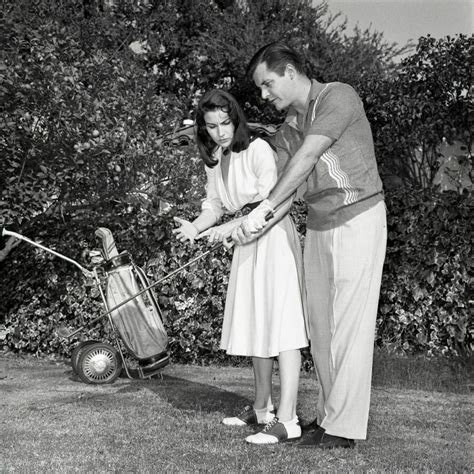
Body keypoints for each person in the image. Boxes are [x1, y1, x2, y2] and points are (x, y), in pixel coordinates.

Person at [231, 42, 387, 450]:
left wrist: (263, 209)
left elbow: (308, 158)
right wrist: (250, 223)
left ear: (289, 72)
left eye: (267, 84)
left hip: (358, 218)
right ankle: (327, 417)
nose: (264, 95)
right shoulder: (286, 130)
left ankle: (344, 428)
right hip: (319, 227)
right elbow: (282, 190)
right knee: (321, 331)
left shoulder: (337, 96)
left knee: (348, 329)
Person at [172, 89, 309, 444]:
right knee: (257, 324)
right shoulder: (215, 158)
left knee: (283, 325)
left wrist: (228, 229)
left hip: (273, 237)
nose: (220, 132)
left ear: (236, 119)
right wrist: (197, 226)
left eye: (225, 123)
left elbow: (270, 201)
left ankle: (289, 418)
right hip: (246, 245)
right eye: (212, 126)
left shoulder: (259, 149)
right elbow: (214, 205)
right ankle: (262, 408)